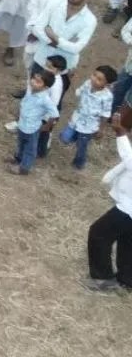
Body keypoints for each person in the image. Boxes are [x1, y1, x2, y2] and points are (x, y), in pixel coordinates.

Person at [84, 104, 132, 293]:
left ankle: (103, 278)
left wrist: (120, 133)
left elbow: (130, 160)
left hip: (129, 208)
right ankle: (127, 279)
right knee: (127, 240)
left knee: (99, 233)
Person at [61, 66, 116, 171]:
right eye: (94, 75)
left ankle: (79, 163)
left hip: (89, 127)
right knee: (64, 137)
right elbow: (78, 92)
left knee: (82, 146)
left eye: (99, 79)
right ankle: (74, 138)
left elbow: (105, 113)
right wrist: (72, 81)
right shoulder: (87, 83)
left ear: (107, 84)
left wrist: (101, 129)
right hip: (77, 118)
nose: (94, 79)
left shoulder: (107, 96)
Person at [6, 68, 58, 176]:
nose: (33, 82)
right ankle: (18, 159)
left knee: (30, 149)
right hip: (22, 125)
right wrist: (18, 114)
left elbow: (55, 114)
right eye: (33, 79)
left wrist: (47, 126)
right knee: (21, 144)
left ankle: (24, 168)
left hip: (32, 129)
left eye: (38, 81)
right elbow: (24, 103)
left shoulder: (45, 99)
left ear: (45, 87)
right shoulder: (30, 90)